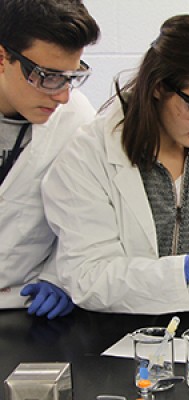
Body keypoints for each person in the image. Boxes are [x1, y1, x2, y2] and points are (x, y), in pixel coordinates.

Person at [41, 15, 189, 315]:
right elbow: (89, 276)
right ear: (158, 87)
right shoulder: (89, 153)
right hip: (115, 336)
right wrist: (183, 270)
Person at [0, 0, 99, 318]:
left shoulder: (77, 118)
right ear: (2, 59)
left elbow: (88, 216)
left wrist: (59, 276)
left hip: (23, 306)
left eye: (72, 75)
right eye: (47, 76)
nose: (62, 95)